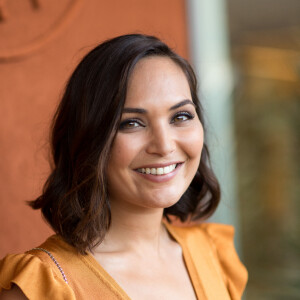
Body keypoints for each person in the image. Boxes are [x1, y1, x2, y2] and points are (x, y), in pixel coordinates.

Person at [0, 34, 247, 300]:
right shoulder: (47, 285)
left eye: (181, 116)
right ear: (89, 138)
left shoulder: (212, 254)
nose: (164, 146)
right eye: (131, 123)